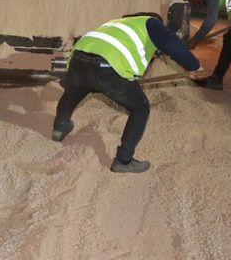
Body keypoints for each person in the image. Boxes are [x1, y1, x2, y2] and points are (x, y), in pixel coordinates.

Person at [52, 13, 203, 173]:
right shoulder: (151, 23)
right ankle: (123, 161)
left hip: (78, 59)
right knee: (140, 108)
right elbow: (172, 45)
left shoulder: (118, 23)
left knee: (74, 91)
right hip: (106, 66)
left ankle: (59, 128)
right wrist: (193, 66)